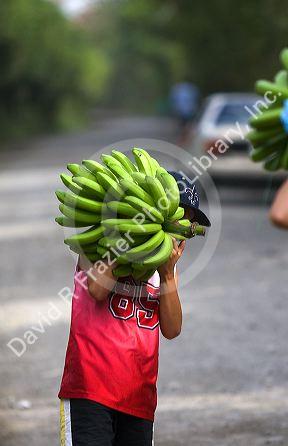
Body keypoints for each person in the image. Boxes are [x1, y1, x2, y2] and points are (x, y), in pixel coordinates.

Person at [58, 172, 211, 446]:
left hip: (138, 397)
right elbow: (97, 290)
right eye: (183, 218)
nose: (186, 230)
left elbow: (173, 329)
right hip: (90, 389)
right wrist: (129, 239)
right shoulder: (97, 245)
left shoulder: (166, 270)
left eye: (191, 222)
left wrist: (167, 276)